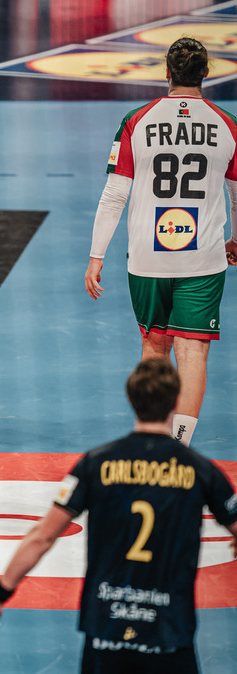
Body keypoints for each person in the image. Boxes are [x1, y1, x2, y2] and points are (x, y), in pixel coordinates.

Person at [0, 357, 237, 674]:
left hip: (108, 631)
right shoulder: (201, 470)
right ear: (176, 403)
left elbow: (41, 537)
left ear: (130, 401)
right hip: (169, 633)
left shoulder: (97, 463)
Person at [84, 36, 237, 447]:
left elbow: (115, 194)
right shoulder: (227, 123)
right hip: (203, 258)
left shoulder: (138, 120)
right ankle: (179, 447)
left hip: (149, 258)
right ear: (207, 74)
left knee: (154, 348)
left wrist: (96, 255)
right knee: (193, 352)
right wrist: (235, 238)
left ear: (166, 73)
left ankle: (150, 440)